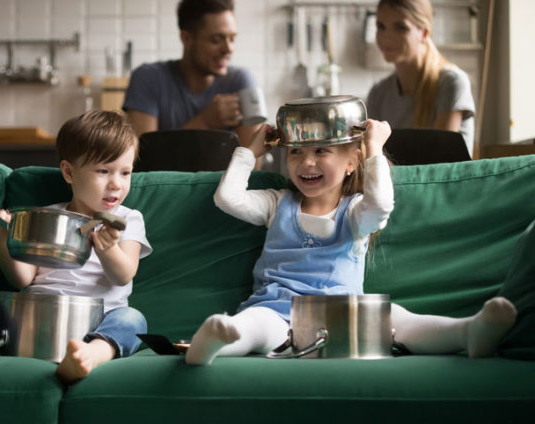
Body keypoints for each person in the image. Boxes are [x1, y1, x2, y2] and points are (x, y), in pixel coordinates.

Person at [185, 121, 516, 365]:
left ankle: (468, 333)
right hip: (279, 311)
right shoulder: (277, 202)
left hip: (347, 319)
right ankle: (217, 343)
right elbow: (227, 198)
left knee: (399, 319)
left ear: (351, 162)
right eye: (296, 151)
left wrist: (374, 149)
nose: (306, 162)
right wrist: (251, 151)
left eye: (321, 151)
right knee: (255, 325)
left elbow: (381, 205)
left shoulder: (356, 211)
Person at [0, 110, 152, 383]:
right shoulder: (46, 216)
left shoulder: (127, 220)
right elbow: (22, 279)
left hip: (98, 318)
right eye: (103, 171)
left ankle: (89, 355)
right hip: (35, 315)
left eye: (125, 172)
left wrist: (108, 251)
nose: (116, 183)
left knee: (132, 319)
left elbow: (124, 274)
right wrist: (3, 239)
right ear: (69, 172)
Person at [122, 0, 259, 147]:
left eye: (232, 38)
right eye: (217, 39)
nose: (228, 48)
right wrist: (204, 122)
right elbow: (142, 160)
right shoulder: (147, 79)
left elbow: (254, 164)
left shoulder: (241, 82)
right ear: (186, 38)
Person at [366, 0, 476, 156]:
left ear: (424, 33)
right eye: (381, 26)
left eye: (400, 27)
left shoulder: (452, 83)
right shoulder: (378, 93)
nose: (386, 36)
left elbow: (439, 159)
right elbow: (371, 156)